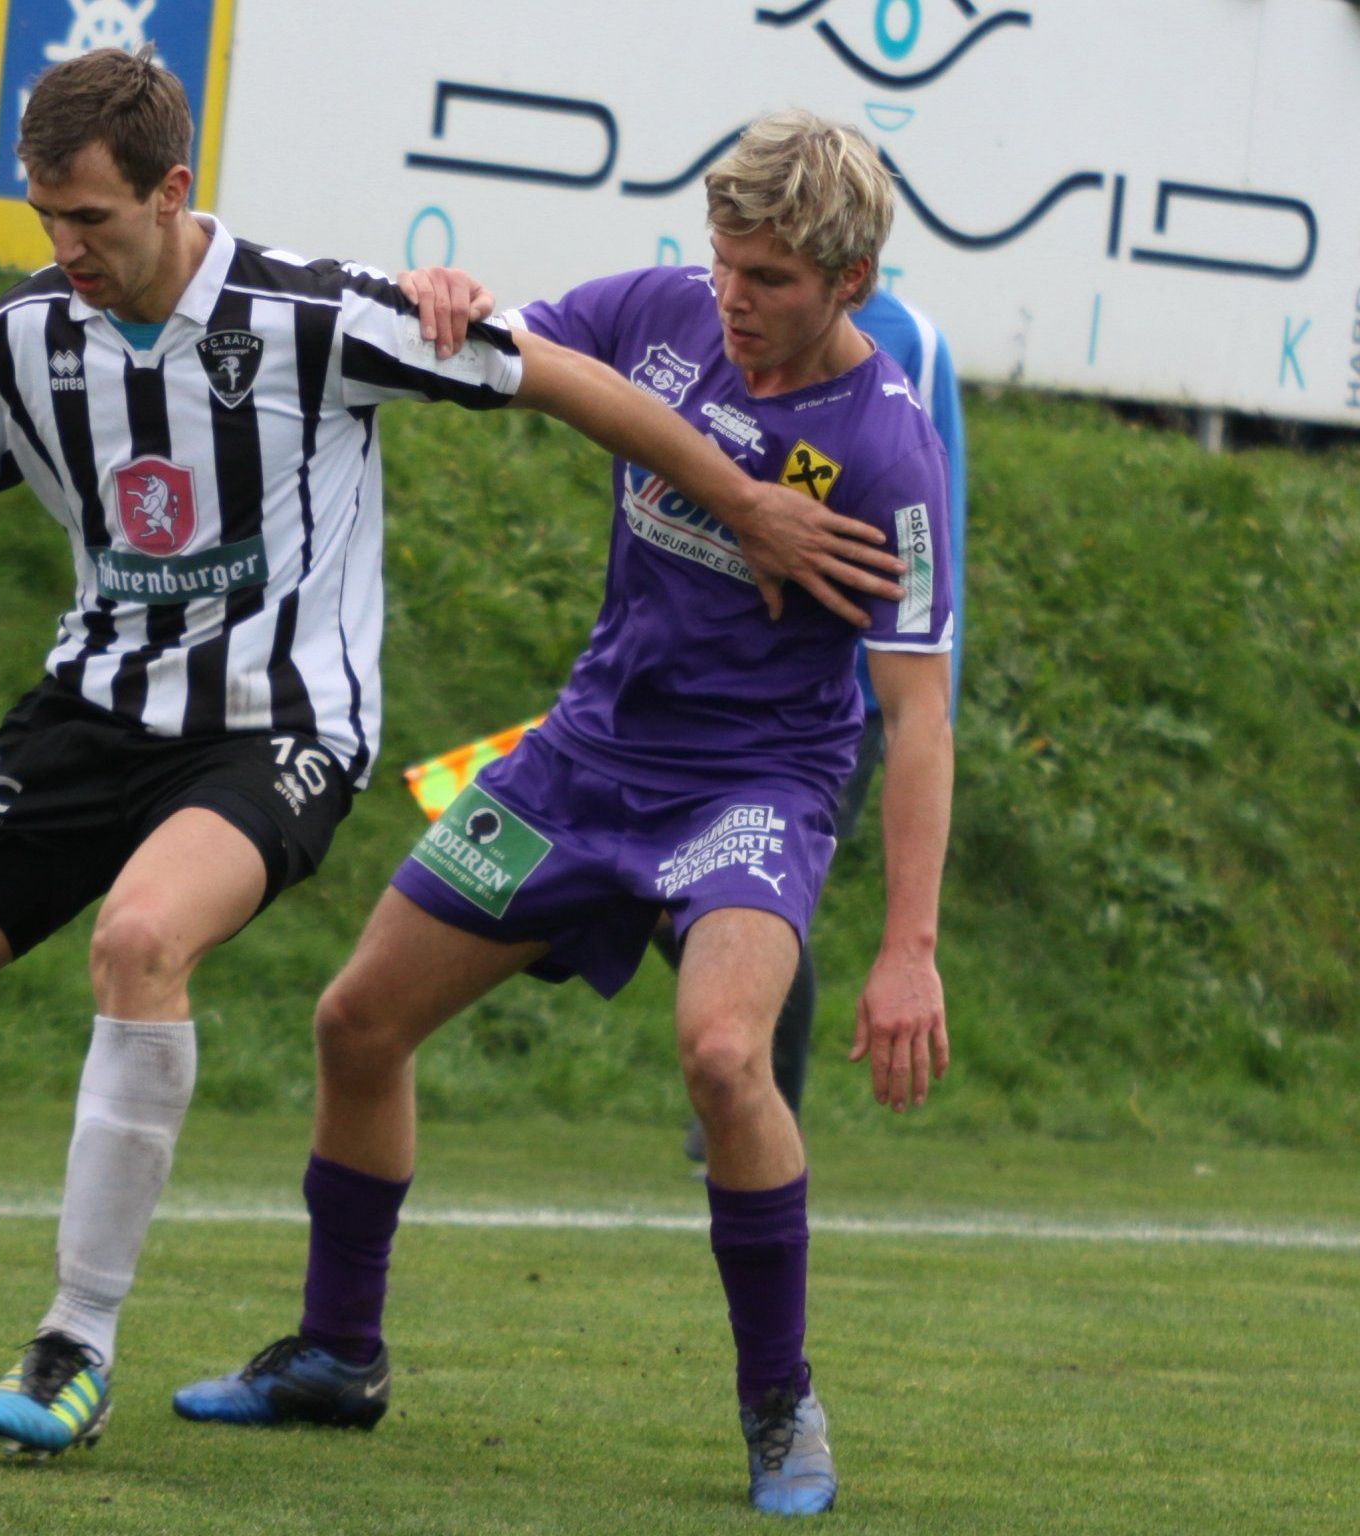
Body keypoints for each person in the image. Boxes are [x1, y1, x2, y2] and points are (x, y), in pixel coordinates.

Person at [0, 51, 904, 1463]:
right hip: (111, 722)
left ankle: (75, 1344)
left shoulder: (308, 317)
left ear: (171, 191)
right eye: (45, 217)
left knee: (151, 944)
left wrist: (744, 504)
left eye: (90, 218)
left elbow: (560, 388)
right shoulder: (23, 336)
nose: (62, 247)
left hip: (290, 734)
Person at [173, 111, 955, 1518]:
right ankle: (337, 1356)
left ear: (849, 282)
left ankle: (779, 1405)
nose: (736, 299)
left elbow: (918, 714)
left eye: (770, 279)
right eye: (727, 264)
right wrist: (457, 300)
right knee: (357, 1021)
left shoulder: (888, 450)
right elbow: (503, 348)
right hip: (581, 759)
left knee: (725, 1055)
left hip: (750, 789)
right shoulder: (657, 317)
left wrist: (910, 946)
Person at [665, 281, 968, 1155]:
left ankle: (752, 1113)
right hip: (699, 683)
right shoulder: (718, 309)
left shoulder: (908, 340)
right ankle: (740, 1086)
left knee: (752, 888)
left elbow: (927, 520)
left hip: (845, 696)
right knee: (676, 898)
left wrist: (923, 683)